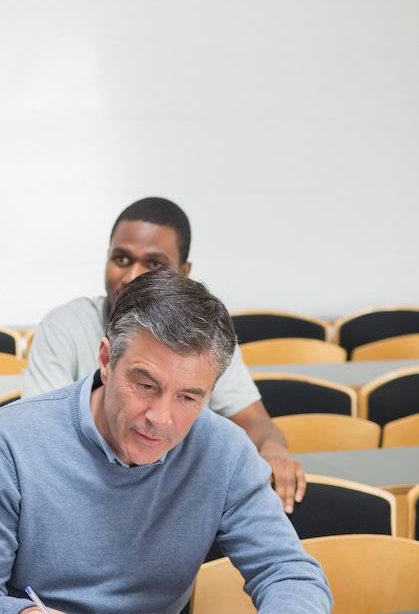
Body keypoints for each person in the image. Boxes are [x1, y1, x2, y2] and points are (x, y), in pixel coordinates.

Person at [0, 268, 332, 614]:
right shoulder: (6, 442)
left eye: (188, 397)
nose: (161, 418)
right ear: (106, 360)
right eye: (144, 385)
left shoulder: (225, 451)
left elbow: (287, 568)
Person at [22, 195, 308, 511]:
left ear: (183, 271)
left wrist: (274, 451)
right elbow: (42, 439)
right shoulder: (65, 326)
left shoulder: (204, 338)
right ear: (106, 359)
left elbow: (256, 422)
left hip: (173, 502)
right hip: (84, 499)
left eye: (154, 264)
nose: (131, 276)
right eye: (121, 259)